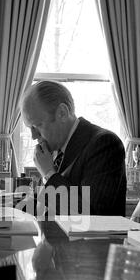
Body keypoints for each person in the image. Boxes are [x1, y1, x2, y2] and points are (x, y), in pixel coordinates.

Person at [20, 80, 126, 216]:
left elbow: (89, 215)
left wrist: (49, 174)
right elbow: (45, 206)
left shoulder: (104, 144)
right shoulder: (57, 148)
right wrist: (4, 210)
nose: (34, 136)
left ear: (62, 113)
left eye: (37, 126)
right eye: (30, 128)